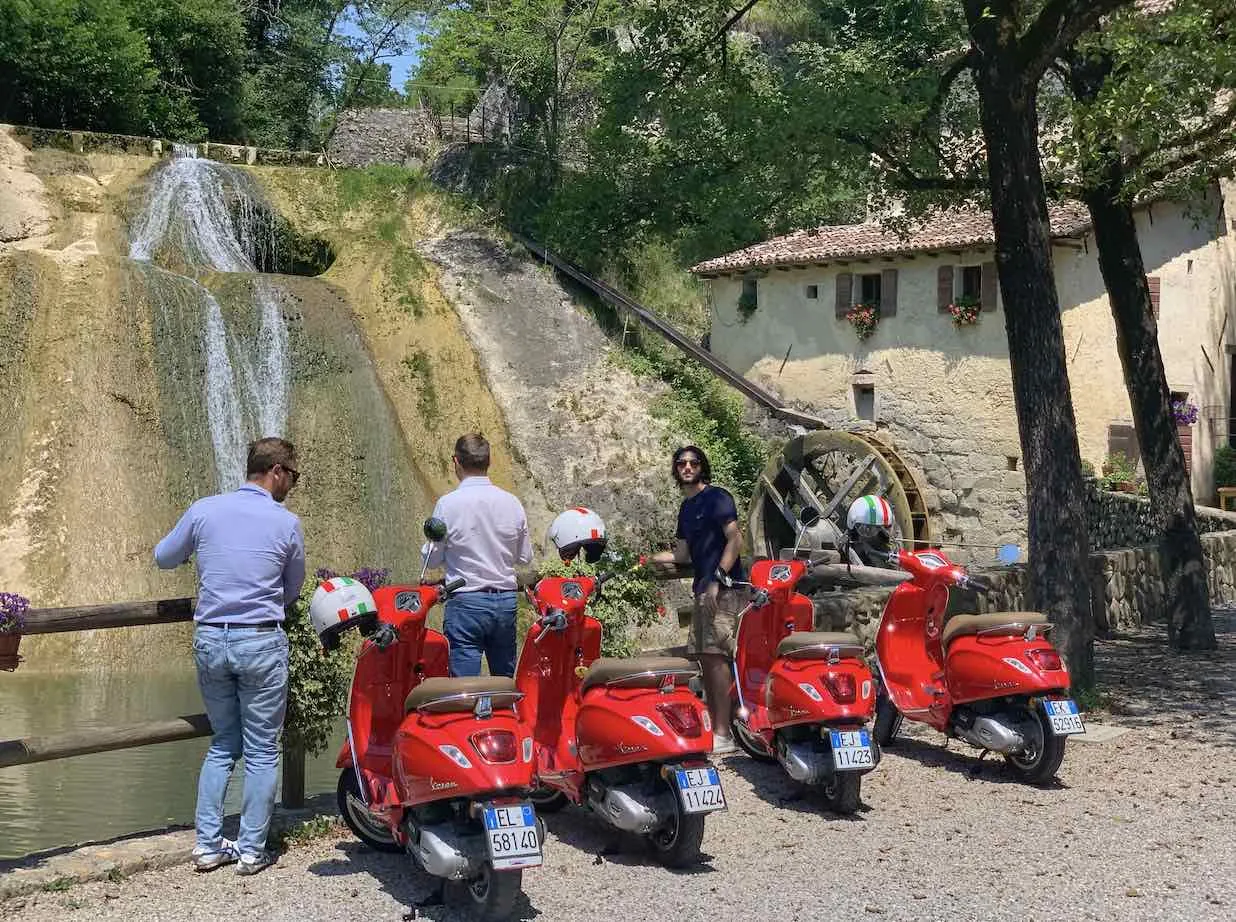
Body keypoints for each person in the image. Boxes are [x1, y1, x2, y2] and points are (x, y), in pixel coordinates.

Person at [154, 438, 305, 876]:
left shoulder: (204, 510)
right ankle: (252, 851)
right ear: (276, 471)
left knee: (223, 744)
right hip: (260, 641)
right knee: (262, 751)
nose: (292, 485)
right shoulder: (286, 522)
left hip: (211, 639)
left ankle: (206, 846)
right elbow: (292, 588)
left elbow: (164, 557)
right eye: (292, 476)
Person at [650, 445, 744, 755]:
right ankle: (722, 728)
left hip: (723, 589)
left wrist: (718, 579)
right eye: (682, 464)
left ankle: (724, 733)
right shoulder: (687, 508)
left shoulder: (718, 498)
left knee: (716, 658)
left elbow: (735, 539)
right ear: (676, 469)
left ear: (702, 467)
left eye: (693, 463)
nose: (687, 467)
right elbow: (682, 555)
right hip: (703, 588)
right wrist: (649, 559)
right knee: (706, 658)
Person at [423, 433, 532, 677]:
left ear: (456, 461)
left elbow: (432, 560)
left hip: (465, 603)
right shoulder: (512, 503)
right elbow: (524, 557)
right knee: (504, 682)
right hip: (505, 602)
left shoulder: (448, 504)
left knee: (465, 687)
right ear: (489, 462)